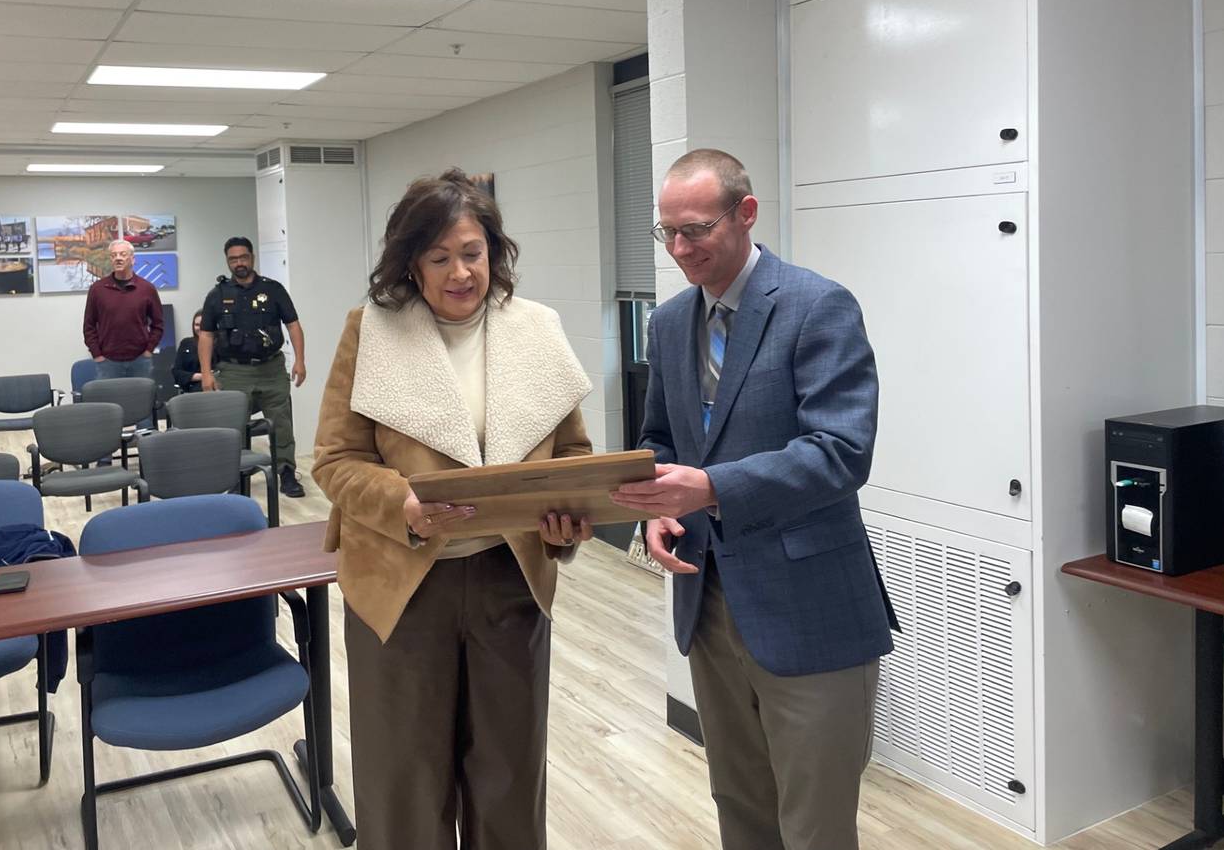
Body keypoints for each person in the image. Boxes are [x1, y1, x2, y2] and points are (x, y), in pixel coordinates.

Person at [612, 149, 896, 850]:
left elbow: (840, 452)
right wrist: (661, 509)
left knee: (816, 823)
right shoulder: (670, 322)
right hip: (708, 601)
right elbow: (661, 440)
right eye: (667, 233)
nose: (680, 249)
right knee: (740, 803)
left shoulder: (817, 306)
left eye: (696, 230)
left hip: (808, 604)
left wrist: (710, 488)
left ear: (746, 214)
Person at [313, 169, 594, 850]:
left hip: (510, 580)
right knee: (404, 778)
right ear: (411, 262)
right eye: (438, 257)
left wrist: (569, 520)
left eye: (471, 252)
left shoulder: (537, 330)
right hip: (401, 587)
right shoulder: (371, 330)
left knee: (509, 772)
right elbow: (333, 459)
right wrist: (399, 501)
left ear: (494, 252)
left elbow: (574, 454)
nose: (459, 272)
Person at [198, 238, 307, 497]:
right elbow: (206, 335)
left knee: (281, 422)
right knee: (233, 424)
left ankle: (287, 472)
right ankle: (234, 476)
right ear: (227, 261)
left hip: (271, 368)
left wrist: (300, 360)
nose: (239, 263)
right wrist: (205, 373)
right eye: (233, 259)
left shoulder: (273, 290)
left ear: (252, 258)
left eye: (243, 257)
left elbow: (293, 325)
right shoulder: (217, 295)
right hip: (234, 370)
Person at [81, 239, 163, 381]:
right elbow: (89, 326)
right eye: (113, 255)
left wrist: (149, 350)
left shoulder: (147, 289)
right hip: (107, 362)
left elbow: (158, 324)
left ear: (132, 259)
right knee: (110, 402)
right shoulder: (97, 289)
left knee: (141, 401)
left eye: (123, 254)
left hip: (140, 361)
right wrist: (97, 354)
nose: (118, 258)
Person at [171, 310, 213, 393]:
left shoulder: (220, 344)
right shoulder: (186, 343)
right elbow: (176, 372)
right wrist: (200, 376)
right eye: (197, 325)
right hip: (192, 390)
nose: (200, 328)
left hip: (215, 389)